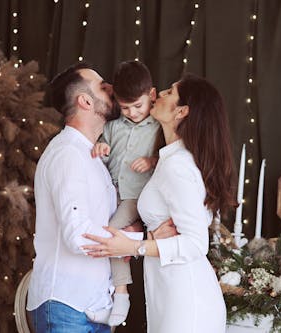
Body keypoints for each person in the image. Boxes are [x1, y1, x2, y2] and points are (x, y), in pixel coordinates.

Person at [26, 63, 176, 332]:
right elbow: (78, 235)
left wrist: (130, 233)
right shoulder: (68, 154)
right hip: (65, 306)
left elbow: (101, 222)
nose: (112, 89)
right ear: (85, 101)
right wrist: (142, 241)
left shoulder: (93, 156)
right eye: (103, 87)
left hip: (93, 306)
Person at [82, 74, 236, 332]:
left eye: (169, 92)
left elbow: (197, 242)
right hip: (168, 290)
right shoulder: (170, 159)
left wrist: (134, 246)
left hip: (186, 297)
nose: (160, 94)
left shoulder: (177, 166)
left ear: (182, 111)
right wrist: (149, 235)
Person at [88, 60, 161, 326]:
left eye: (138, 106)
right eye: (125, 107)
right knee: (96, 237)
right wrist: (100, 149)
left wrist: (152, 161)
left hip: (135, 199)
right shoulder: (113, 127)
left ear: (151, 96)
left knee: (110, 235)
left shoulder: (158, 129)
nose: (131, 112)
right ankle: (103, 296)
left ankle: (121, 295)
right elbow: (99, 146)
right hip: (110, 195)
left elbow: (170, 161)